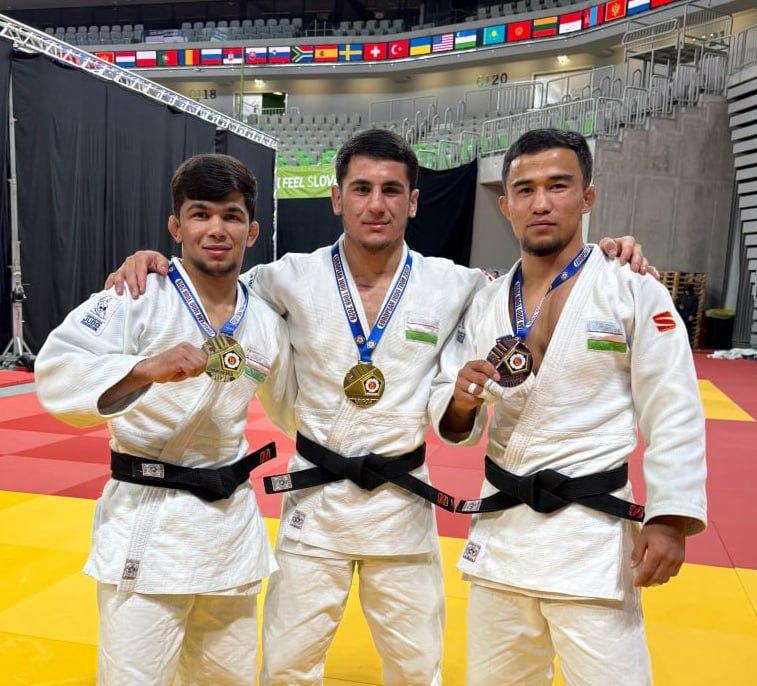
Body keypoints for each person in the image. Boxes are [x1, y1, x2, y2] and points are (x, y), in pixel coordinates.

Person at [105, 129, 651, 685]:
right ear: (336, 198)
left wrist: (604, 257)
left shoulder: (455, 285)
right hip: (315, 505)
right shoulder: (285, 279)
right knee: (286, 667)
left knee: (417, 669)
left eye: (391, 190)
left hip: (400, 506)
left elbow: (536, 282)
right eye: (361, 188)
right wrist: (156, 264)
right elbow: (211, 284)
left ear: (412, 202)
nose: (376, 204)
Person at [430, 129, 707, 686]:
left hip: (592, 538)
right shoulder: (486, 301)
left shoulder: (631, 289)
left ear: (587, 197)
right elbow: (452, 409)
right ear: (506, 205)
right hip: (503, 533)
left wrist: (670, 517)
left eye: (558, 186)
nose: (541, 202)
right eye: (525, 189)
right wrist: (459, 402)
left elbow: (673, 406)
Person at [35, 154, 296, 685]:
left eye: (231, 216)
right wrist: (143, 370)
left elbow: (295, 405)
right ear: (176, 227)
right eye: (200, 214)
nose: (216, 229)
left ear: (252, 231)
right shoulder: (135, 294)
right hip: (149, 521)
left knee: (229, 679)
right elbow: (56, 370)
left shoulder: (267, 320)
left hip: (229, 529)